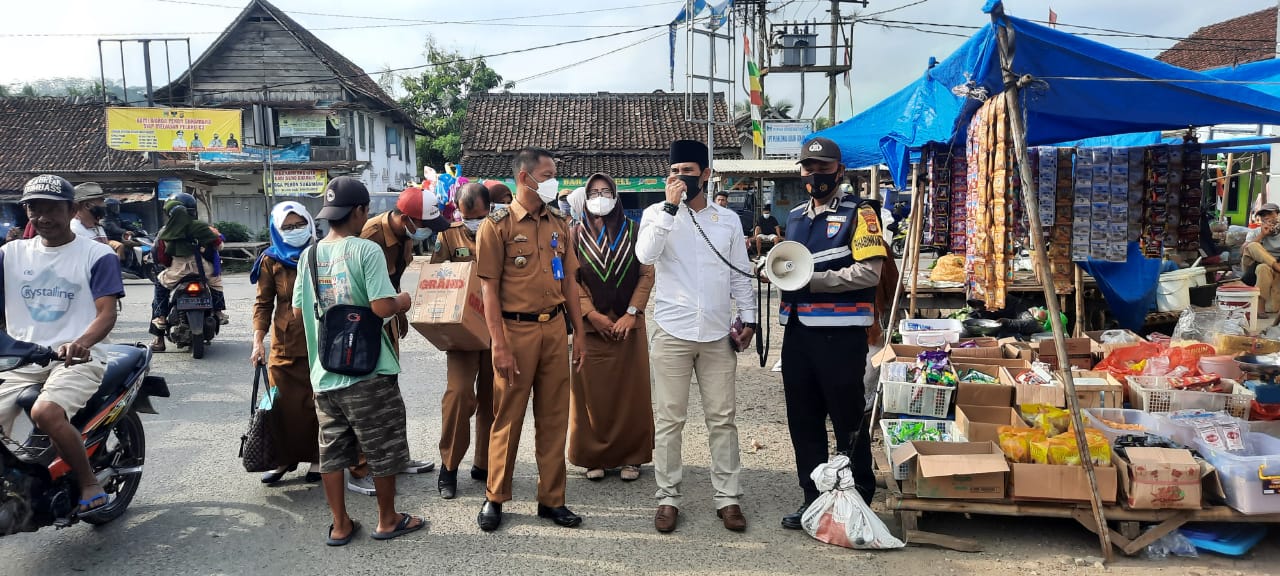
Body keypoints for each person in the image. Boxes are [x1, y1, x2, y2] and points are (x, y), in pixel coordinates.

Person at [293, 176, 424, 546]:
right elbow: (382, 306)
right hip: (368, 370)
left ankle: (340, 525)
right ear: (361, 211)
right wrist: (403, 301)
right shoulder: (366, 251)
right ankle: (387, 520)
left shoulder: (310, 254)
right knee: (382, 445)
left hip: (325, 373)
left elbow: (301, 306)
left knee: (332, 451)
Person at [636, 139, 756, 534]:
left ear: (706, 175)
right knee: (670, 420)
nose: (682, 178)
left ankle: (728, 499)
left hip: (717, 333)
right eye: (675, 172)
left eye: (689, 171)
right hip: (673, 330)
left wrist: (750, 318)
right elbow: (645, 255)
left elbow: (740, 272)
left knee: (723, 419)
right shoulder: (657, 213)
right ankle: (668, 498)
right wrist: (670, 208)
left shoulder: (728, 220)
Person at [769, 137, 885, 531]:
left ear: (838, 169)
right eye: (808, 168)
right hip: (798, 333)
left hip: (841, 336)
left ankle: (857, 499)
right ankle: (813, 499)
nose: (814, 175)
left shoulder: (862, 213)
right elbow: (789, 265)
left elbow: (869, 272)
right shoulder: (797, 216)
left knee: (847, 417)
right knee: (803, 420)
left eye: (822, 168)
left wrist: (813, 281)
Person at [475, 147, 587, 532]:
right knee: (507, 417)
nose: (554, 180)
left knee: (555, 418)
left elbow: (570, 282)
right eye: (548, 173)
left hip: (555, 329)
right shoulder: (497, 226)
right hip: (515, 331)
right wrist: (499, 345)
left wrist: (580, 334)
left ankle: (552, 499)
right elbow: (489, 291)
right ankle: (495, 497)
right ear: (525, 178)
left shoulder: (559, 223)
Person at [0, 175, 125, 517]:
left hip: (76, 360)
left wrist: (80, 343)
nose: (43, 217)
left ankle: (88, 482)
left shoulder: (97, 254)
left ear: (71, 209)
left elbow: (106, 313)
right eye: (34, 208)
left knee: (46, 412)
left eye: (52, 208)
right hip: (20, 362)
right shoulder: (9, 254)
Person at [346, 184, 450, 495]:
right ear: (405, 218)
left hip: (387, 317)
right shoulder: (369, 237)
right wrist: (392, 307)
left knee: (390, 392)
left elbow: (391, 281)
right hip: (362, 325)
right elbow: (355, 288)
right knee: (366, 399)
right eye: (425, 226)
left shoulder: (405, 235)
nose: (428, 233)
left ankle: (395, 458)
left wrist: (397, 313)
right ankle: (360, 468)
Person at [568, 172, 655, 482]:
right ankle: (595, 457)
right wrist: (591, 314)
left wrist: (632, 313)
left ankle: (632, 457)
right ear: (586, 198)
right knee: (592, 396)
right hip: (592, 329)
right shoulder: (575, 235)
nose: (600, 197)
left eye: (606, 191)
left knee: (632, 394)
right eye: (594, 192)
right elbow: (570, 280)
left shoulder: (635, 230)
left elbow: (646, 274)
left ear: (616, 196)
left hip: (628, 327)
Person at [430, 182, 495, 499]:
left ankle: (485, 464)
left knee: (492, 399)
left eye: (479, 216)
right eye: (467, 216)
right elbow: (432, 278)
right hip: (462, 331)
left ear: (489, 210)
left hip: (497, 329)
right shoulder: (447, 237)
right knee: (457, 396)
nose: (473, 223)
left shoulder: (500, 232)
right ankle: (449, 465)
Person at [250, 201, 321, 485]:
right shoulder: (271, 259)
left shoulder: (320, 252)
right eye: (287, 227)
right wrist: (258, 342)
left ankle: (318, 458)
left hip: (318, 341)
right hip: (283, 344)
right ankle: (283, 460)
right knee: (279, 405)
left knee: (315, 405)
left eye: (299, 225)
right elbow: (263, 303)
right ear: (277, 230)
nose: (294, 231)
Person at [148, 193, 227, 352]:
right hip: (202, 269)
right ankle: (218, 312)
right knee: (216, 283)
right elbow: (219, 246)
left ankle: (160, 328)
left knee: (161, 285)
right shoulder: (202, 227)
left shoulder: (165, 231)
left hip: (178, 270)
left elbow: (159, 255)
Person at [1242, 203, 1280, 315]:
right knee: (1252, 245)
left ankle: (1260, 307)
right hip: (1252, 264)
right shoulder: (1256, 232)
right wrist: (1262, 235)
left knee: (1263, 268)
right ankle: (1275, 265)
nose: (1266, 216)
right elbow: (1244, 251)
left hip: (1270, 269)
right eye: (1263, 214)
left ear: (1277, 214)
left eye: (1270, 213)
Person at [102, 198, 143, 264]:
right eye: (114, 207)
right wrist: (125, 231)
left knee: (136, 243)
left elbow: (125, 223)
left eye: (117, 207)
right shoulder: (105, 220)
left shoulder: (116, 218)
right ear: (109, 209)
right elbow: (114, 229)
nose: (117, 209)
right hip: (108, 240)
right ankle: (120, 264)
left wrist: (136, 229)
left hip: (119, 239)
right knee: (120, 246)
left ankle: (135, 262)